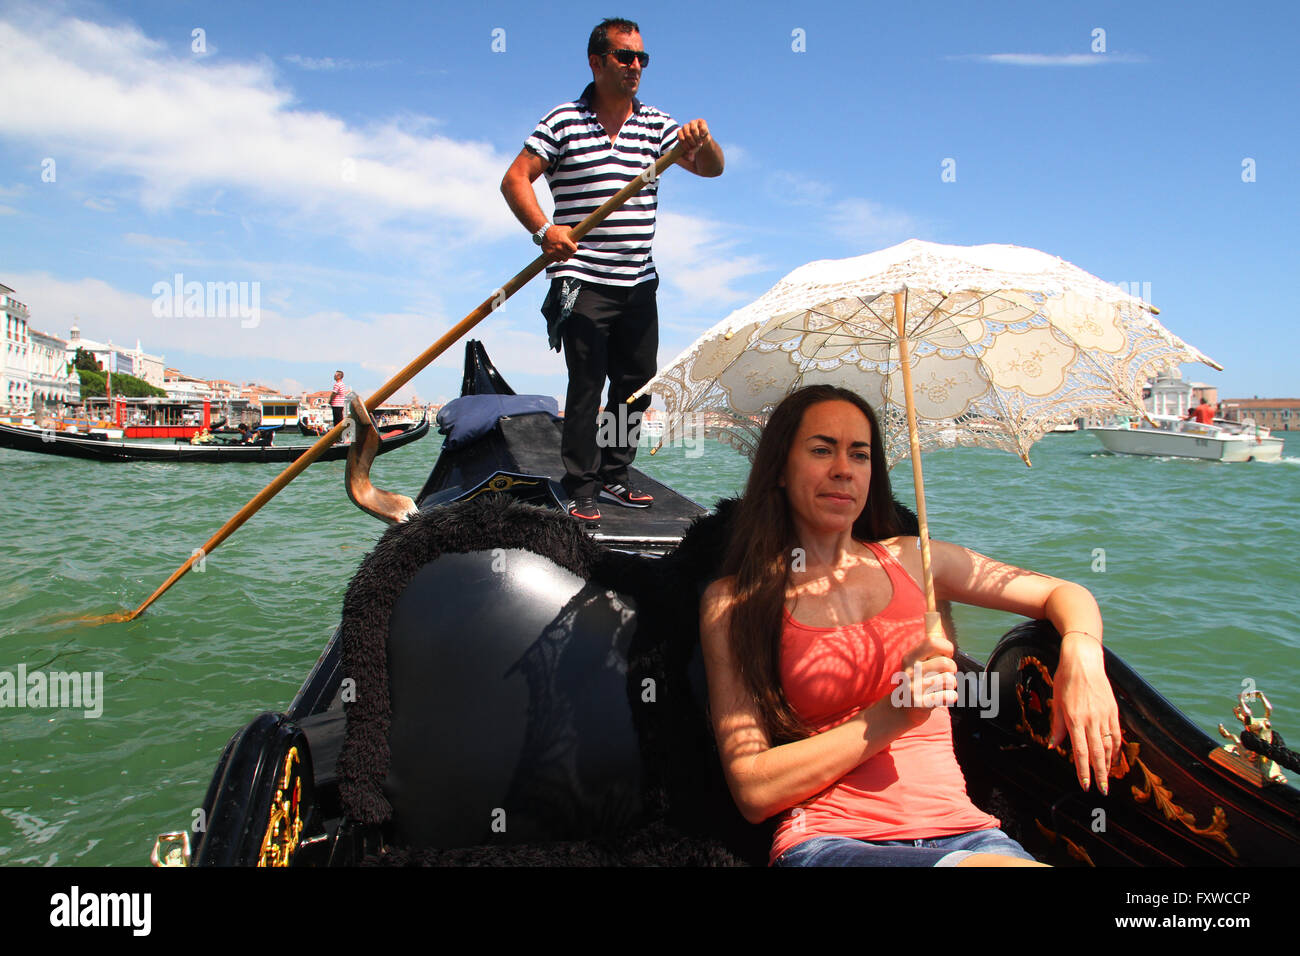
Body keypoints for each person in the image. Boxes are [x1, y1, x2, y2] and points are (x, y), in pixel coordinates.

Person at [699, 385, 1122, 866]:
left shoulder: (915, 560)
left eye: (859, 455)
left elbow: (1061, 593)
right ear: (778, 468)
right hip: (833, 841)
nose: (843, 468)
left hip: (969, 834)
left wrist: (1083, 654)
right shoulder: (734, 601)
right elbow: (753, 788)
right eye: (822, 450)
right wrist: (893, 714)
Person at [501, 17, 724, 526]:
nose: (636, 66)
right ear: (597, 61)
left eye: (642, 58)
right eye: (626, 56)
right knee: (587, 383)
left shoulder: (658, 127)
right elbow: (515, 180)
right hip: (582, 278)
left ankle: (615, 475)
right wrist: (544, 231)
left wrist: (702, 140)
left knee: (634, 385)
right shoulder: (562, 121)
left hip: (639, 282)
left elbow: (712, 168)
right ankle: (580, 484)